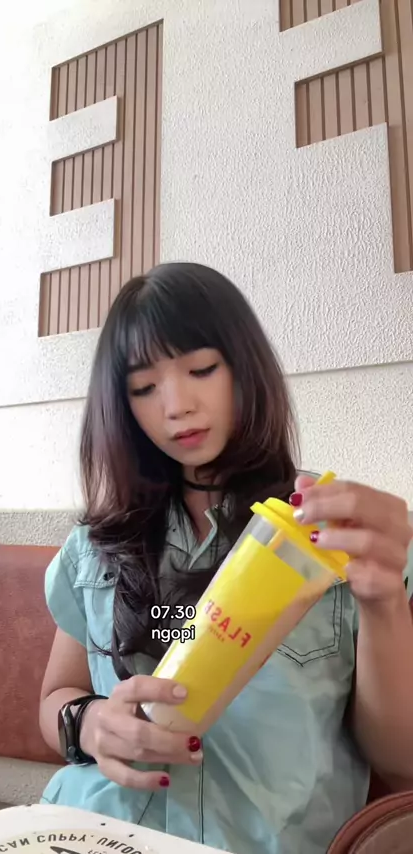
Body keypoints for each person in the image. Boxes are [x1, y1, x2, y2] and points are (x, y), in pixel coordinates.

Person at [38, 262, 413, 854]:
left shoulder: (336, 533)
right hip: (89, 832)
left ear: (244, 367)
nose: (176, 406)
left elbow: (400, 760)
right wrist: (86, 724)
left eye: (201, 369)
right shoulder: (96, 543)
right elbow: (57, 695)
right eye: (144, 388)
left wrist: (384, 600)